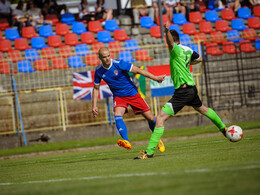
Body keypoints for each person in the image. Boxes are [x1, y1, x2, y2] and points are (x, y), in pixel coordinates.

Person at [135, 21, 228, 159]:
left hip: (183, 92)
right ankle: (224, 129)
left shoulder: (176, 50)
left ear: (172, 40)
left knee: (160, 118)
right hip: (191, 89)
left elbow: (171, 44)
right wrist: (188, 63)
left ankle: (149, 152)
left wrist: (166, 31)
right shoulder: (188, 50)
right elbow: (200, 59)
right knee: (203, 109)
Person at [92, 47, 166, 151]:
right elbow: (96, 88)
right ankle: (126, 141)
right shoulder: (99, 71)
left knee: (150, 118)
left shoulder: (119, 63)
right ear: (99, 58)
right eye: (104, 57)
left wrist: (156, 78)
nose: (108, 59)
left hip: (132, 94)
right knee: (117, 115)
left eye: (109, 55)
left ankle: (157, 139)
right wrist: (94, 105)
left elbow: (138, 70)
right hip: (119, 96)